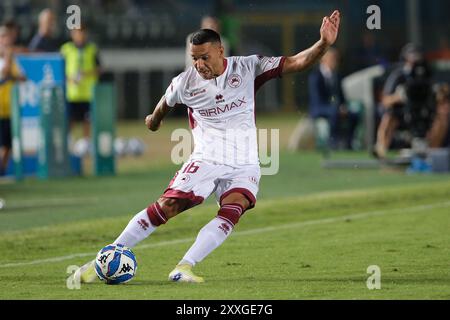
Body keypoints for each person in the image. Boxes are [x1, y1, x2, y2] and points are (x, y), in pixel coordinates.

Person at [71, 10, 341, 283]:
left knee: (233, 210)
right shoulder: (184, 82)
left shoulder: (248, 67)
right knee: (168, 206)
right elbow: (165, 102)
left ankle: (184, 267)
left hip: (245, 162)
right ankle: (102, 260)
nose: (199, 64)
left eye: (204, 57)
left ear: (221, 51)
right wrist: (154, 120)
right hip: (208, 158)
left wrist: (323, 44)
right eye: (194, 58)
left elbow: (296, 62)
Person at [374, 43, 433, 158]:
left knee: (441, 116)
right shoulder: (399, 75)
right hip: (402, 111)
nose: (415, 58)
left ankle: (434, 154)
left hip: (422, 110)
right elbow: (385, 100)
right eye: (412, 55)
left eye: (417, 55)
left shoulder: (425, 73)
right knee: (390, 118)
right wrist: (399, 97)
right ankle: (381, 149)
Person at [308, 47, 359, 150]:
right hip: (319, 108)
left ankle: (349, 142)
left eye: (336, 59)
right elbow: (318, 100)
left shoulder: (337, 76)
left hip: (335, 108)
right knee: (334, 112)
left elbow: (341, 96)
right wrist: (336, 108)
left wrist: (343, 107)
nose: (335, 61)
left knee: (354, 115)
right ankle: (333, 142)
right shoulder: (315, 76)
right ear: (324, 59)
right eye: (332, 58)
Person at [60, 25, 101, 139]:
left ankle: (86, 143)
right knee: (69, 121)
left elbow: (99, 69)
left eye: (82, 32)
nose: (80, 35)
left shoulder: (92, 49)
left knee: (88, 121)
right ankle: (68, 143)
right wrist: (69, 79)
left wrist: (86, 74)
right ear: (72, 34)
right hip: (71, 94)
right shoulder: (66, 49)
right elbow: (60, 69)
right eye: (77, 32)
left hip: (88, 94)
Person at [0, 26, 25, 176]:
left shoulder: (13, 61)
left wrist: (12, 77)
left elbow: (22, 77)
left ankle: (1, 171)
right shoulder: (6, 61)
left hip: (9, 108)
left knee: (7, 144)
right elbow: (4, 73)